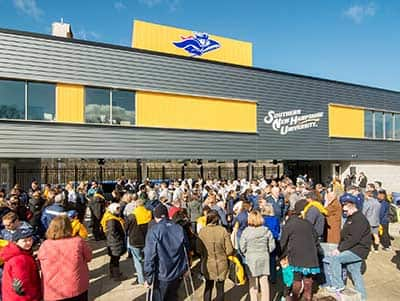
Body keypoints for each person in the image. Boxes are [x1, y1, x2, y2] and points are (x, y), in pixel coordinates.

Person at [323, 194, 371, 300]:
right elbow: (345, 236)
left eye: (345, 208)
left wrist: (339, 249)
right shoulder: (351, 218)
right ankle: (362, 298)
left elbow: (353, 238)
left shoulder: (359, 219)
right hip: (353, 248)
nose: (344, 211)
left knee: (335, 259)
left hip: (358, 250)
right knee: (355, 273)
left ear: (351, 205)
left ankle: (338, 285)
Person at [38, 215, 92, 301]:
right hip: (76, 286)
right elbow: (89, 257)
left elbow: (40, 263)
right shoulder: (77, 241)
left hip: (53, 289)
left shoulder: (45, 245)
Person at [144, 204, 189, 301]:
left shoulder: (153, 231)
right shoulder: (179, 228)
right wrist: (186, 268)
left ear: (156, 217)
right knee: (173, 296)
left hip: (162, 274)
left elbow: (149, 256)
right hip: (177, 271)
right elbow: (186, 249)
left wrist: (148, 278)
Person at [280, 200, 321, 301]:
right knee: (308, 282)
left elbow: (283, 242)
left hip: (296, 256)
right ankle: (307, 298)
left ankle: (294, 298)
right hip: (311, 257)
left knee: (296, 280)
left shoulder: (289, 224)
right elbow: (316, 240)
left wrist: (281, 256)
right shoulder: (308, 224)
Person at [197, 210, 234, 301]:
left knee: (208, 287)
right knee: (220, 288)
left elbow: (198, 249)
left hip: (208, 263)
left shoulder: (202, 231)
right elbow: (229, 250)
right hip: (221, 263)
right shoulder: (223, 230)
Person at [240, 210, 275, 301]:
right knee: (264, 282)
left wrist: (247, 253)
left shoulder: (246, 232)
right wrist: (266, 251)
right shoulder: (266, 231)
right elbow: (272, 246)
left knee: (253, 283)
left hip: (251, 258)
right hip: (264, 257)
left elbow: (242, 247)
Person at [0, 228, 41, 301]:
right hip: (24, 298)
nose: (29, 243)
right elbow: (23, 284)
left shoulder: (14, 253)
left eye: (30, 239)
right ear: (16, 242)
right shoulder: (20, 259)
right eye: (24, 241)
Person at [126, 198, 151, 285]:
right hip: (146, 240)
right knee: (147, 259)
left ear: (136, 206)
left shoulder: (131, 216)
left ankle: (141, 279)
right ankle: (149, 276)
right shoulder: (149, 214)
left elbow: (126, 228)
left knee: (138, 261)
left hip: (135, 241)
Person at [101, 203, 126, 281]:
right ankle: (116, 276)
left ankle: (113, 273)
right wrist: (119, 238)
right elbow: (113, 232)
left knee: (113, 259)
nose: (119, 210)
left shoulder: (110, 217)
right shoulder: (112, 220)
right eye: (117, 209)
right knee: (115, 259)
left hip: (112, 242)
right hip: (115, 243)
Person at [362, 187, 381, 252]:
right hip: (376, 221)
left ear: (367, 195)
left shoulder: (367, 203)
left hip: (368, 221)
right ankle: (376, 249)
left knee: (367, 236)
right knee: (376, 235)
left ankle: (368, 248)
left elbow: (364, 212)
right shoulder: (378, 203)